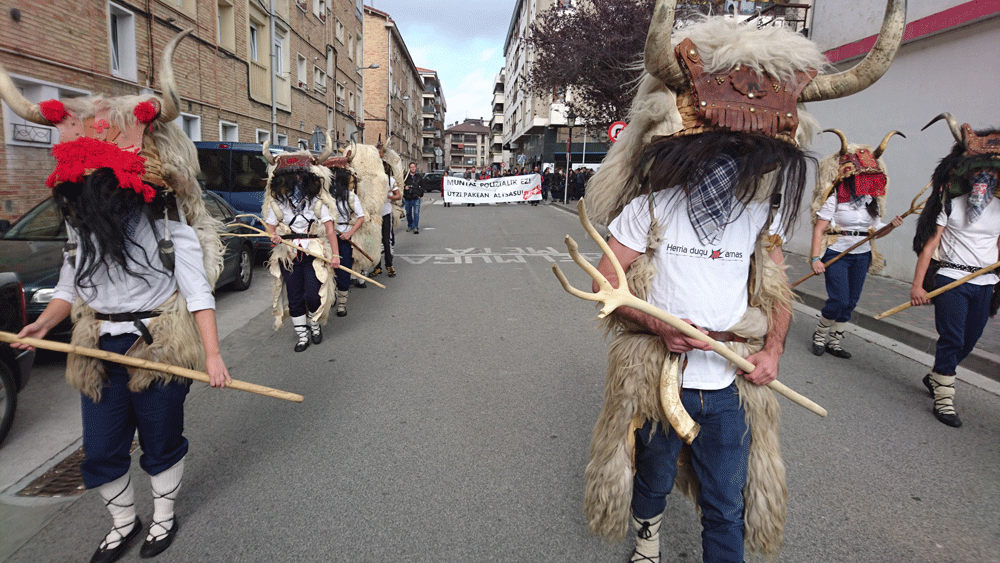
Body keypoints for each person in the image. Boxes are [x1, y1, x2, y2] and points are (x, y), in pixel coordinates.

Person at [579, 5, 903, 561]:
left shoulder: (761, 218)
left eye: (739, 153)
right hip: (661, 374)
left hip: (728, 382)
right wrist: (656, 324)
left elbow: (775, 291)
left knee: (726, 504)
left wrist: (773, 350)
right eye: (716, 150)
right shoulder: (650, 208)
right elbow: (608, 281)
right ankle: (648, 535)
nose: (725, 164)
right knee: (652, 480)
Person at [5, 31, 233, 562]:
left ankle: (164, 521)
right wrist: (46, 322)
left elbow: (197, 289)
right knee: (103, 448)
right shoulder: (82, 223)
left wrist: (215, 355)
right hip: (96, 347)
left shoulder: (164, 216)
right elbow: (70, 281)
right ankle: (123, 524)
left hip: (160, 347)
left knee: (160, 442)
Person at [910, 114, 1000, 428]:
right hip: (950, 278)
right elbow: (929, 246)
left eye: (991, 173)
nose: (984, 178)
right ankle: (945, 399)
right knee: (952, 337)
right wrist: (918, 286)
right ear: (968, 172)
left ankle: (938, 375)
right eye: (980, 171)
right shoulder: (950, 202)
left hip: (985, 280)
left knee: (970, 340)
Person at [809, 131, 904, 358]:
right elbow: (820, 228)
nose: (868, 182)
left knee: (851, 301)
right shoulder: (835, 198)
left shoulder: (872, 203)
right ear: (850, 177)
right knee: (838, 299)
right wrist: (815, 258)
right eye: (864, 177)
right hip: (837, 254)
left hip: (862, 254)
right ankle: (820, 334)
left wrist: (890, 226)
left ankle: (834, 341)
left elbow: (874, 233)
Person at [263, 147, 340, 352]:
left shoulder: (317, 201)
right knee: (295, 297)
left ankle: (315, 326)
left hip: (313, 253)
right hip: (288, 255)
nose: (296, 179)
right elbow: (269, 229)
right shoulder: (278, 203)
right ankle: (302, 336)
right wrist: (274, 237)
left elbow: (331, 231)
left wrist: (335, 255)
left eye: (300, 175)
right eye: (292, 175)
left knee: (313, 294)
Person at [371, 160, 400, 278]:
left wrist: (388, 196)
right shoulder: (372, 180)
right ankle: (377, 267)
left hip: (386, 213)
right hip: (374, 214)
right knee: (374, 241)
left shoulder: (390, 180)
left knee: (386, 240)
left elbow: (398, 195)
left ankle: (389, 265)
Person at [403, 162, 423, 233]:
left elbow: (422, 187)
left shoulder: (419, 177)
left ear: (416, 168)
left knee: (416, 213)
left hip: (416, 197)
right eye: (411, 167)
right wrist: (404, 187)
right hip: (408, 197)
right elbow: (401, 185)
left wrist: (420, 194)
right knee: (408, 213)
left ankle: (415, 227)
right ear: (409, 168)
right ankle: (410, 225)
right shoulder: (405, 177)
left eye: (414, 167)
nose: (413, 168)